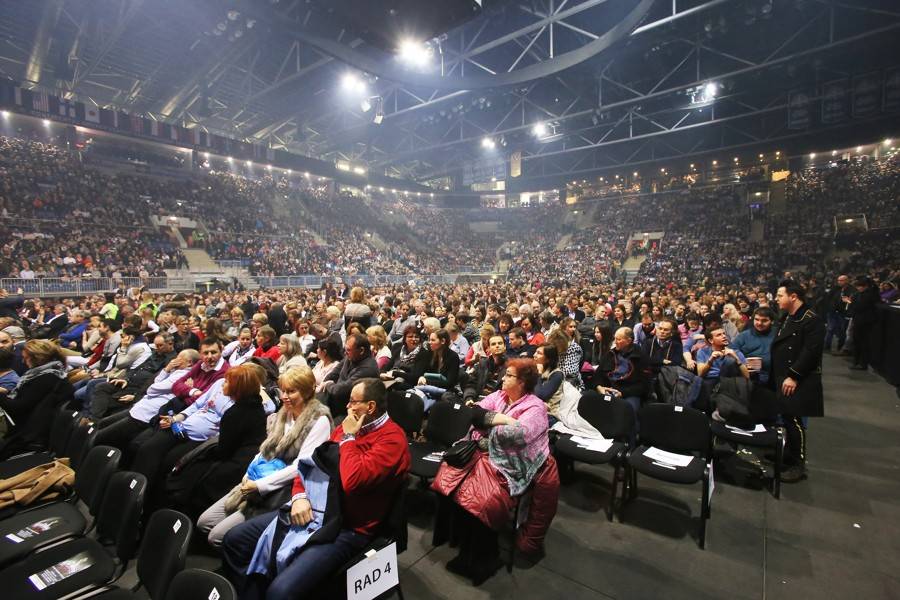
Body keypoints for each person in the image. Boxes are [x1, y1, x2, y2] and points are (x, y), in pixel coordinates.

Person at [221, 378, 410, 599]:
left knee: (280, 592)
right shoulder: (346, 427)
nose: (347, 407)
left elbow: (353, 481)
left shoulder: (392, 440)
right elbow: (312, 464)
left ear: (370, 407)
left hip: (348, 528)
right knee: (234, 540)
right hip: (313, 508)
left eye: (352, 402)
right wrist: (300, 495)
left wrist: (349, 438)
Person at [433, 359, 558, 584]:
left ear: (522, 382)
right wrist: (504, 420)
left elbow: (519, 435)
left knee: (482, 501)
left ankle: (483, 558)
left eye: (508, 375)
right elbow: (473, 413)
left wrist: (487, 428)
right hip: (482, 457)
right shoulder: (499, 396)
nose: (502, 378)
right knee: (449, 482)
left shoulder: (536, 407)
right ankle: (464, 546)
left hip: (512, 467)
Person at [198, 366, 332, 546]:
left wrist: (259, 485)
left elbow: (300, 466)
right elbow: (266, 449)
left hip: (283, 489)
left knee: (217, 536)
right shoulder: (284, 412)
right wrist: (248, 475)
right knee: (204, 522)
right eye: (283, 390)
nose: (284, 396)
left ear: (307, 391)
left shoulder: (319, 420)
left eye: (291, 391)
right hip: (260, 477)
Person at [94, 349, 200, 462]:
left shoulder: (185, 375)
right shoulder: (176, 371)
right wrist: (166, 369)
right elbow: (155, 383)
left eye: (179, 358)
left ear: (189, 362)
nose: (174, 360)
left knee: (99, 437)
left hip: (145, 414)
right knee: (102, 424)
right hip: (140, 407)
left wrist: (155, 385)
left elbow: (152, 389)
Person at [771, 279, 824, 482]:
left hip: (796, 378)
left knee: (794, 421)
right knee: (787, 418)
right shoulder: (789, 316)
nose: (777, 299)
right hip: (783, 375)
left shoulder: (811, 320)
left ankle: (798, 464)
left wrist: (794, 375)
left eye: (780, 295)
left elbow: (811, 352)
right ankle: (789, 455)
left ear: (793, 296)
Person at [0, 340, 74, 459]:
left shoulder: (45, 378)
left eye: (25, 358)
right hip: (30, 429)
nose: (23, 361)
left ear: (37, 358)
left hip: (26, 434)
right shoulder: (53, 374)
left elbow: (17, 409)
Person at [593, 327, 648, 430]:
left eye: (619, 339)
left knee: (629, 409)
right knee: (590, 400)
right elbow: (598, 375)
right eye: (615, 339)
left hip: (629, 393)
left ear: (629, 341)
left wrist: (622, 393)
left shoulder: (640, 357)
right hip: (608, 389)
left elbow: (644, 385)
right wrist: (599, 387)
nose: (615, 342)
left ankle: (629, 440)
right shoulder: (610, 354)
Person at [320, 332, 379, 417]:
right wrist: (326, 383)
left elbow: (340, 391)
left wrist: (328, 384)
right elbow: (333, 374)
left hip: (349, 412)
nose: (345, 353)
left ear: (361, 350)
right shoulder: (351, 356)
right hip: (334, 403)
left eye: (348, 350)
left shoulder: (368, 369)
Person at [731, 307, 776, 383]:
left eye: (764, 320)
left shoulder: (778, 333)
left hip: (775, 375)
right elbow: (731, 352)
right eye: (757, 319)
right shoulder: (744, 336)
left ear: (772, 321)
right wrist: (745, 363)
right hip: (751, 377)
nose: (759, 323)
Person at [847, 276, 881, 371]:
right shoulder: (859, 294)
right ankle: (857, 361)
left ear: (865, 286)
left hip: (865, 321)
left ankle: (862, 363)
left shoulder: (870, 294)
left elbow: (860, 306)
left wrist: (851, 303)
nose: (858, 288)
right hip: (858, 320)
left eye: (859, 286)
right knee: (857, 341)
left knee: (863, 343)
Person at [534, 343, 564, 423]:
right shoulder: (533, 369)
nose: (534, 355)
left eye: (539, 353)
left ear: (548, 359)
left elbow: (540, 395)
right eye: (535, 352)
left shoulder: (557, 374)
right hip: (533, 408)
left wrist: (539, 374)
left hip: (550, 414)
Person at [823, 274, 851, 353]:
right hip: (832, 311)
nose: (839, 282)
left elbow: (851, 301)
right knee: (830, 329)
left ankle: (840, 347)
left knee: (842, 330)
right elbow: (828, 297)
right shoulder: (836, 289)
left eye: (841, 280)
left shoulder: (851, 290)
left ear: (847, 281)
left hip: (842, 313)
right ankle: (827, 346)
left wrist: (847, 301)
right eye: (838, 280)